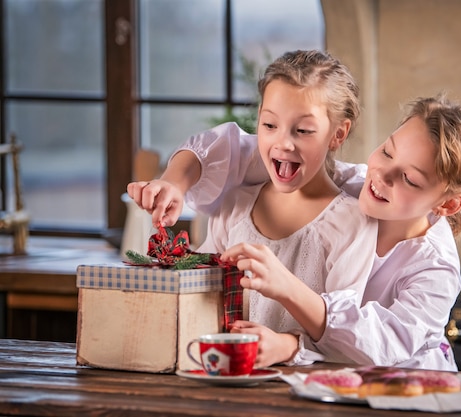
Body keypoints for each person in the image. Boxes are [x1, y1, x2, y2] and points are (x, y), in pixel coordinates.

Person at [129, 93, 461, 371]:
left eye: (410, 179)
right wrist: (174, 183)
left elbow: (382, 346)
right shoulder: (346, 183)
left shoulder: (435, 268)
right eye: (386, 152)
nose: (381, 176)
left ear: (447, 205)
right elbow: (238, 149)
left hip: (406, 393)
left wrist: (288, 309)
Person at [130, 50, 378, 367]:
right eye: (270, 124)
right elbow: (204, 297)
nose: (283, 143)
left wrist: (287, 345)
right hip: (224, 379)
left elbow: (346, 337)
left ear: (337, 133)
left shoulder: (353, 222)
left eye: (302, 130)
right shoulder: (235, 204)